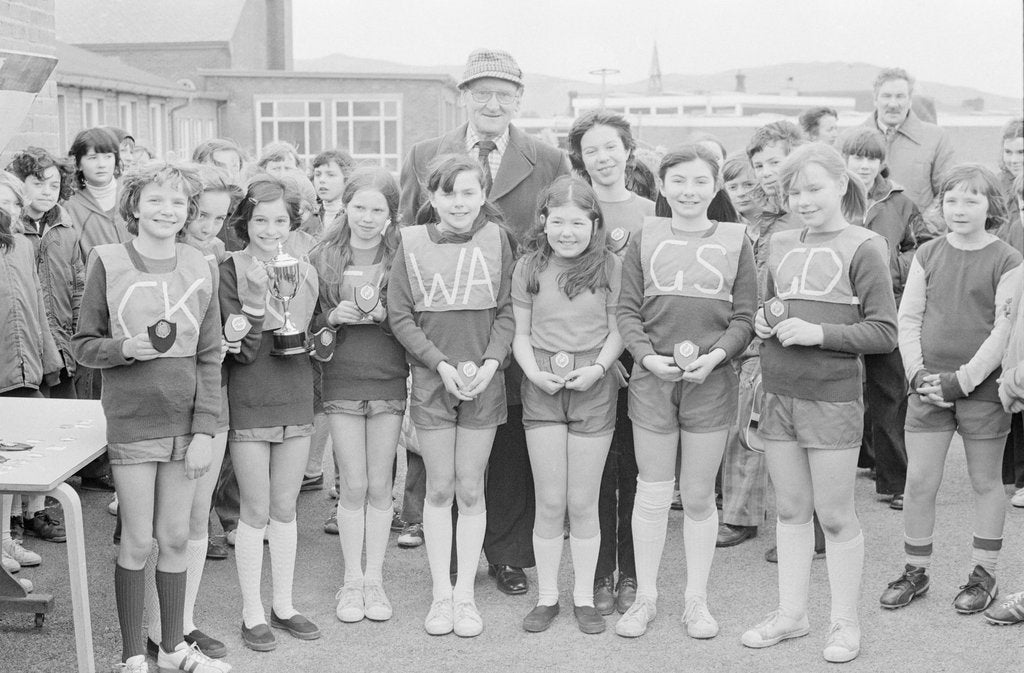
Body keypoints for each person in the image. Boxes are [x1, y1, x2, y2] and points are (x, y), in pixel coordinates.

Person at [398, 48, 570, 596]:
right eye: (481, 93)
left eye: (504, 93)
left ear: (519, 98)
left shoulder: (547, 157)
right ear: (464, 97)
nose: (492, 103)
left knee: (511, 443)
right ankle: (448, 556)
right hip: (446, 327)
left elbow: (555, 237)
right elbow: (408, 235)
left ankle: (507, 554)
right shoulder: (427, 153)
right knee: (443, 456)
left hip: (515, 322)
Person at [740, 143, 897, 663]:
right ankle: (792, 615)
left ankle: (844, 623)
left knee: (833, 515)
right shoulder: (780, 243)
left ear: (840, 185)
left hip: (832, 398)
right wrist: (765, 324)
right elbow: (769, 307)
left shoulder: (865, 246)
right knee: (789, 510)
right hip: (779, 392)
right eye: (794, 191)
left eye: (814, 188)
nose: (803, 200)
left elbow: (884, 333)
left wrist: (819, 333)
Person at [71, 162, 229, 673]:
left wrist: (205, 429)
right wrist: (125, 348)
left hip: (188, 425)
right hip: (133, 422)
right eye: (157, 200)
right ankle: (132, 653)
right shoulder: (109, 261)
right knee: (138, 539)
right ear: (135, 204)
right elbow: (84, 346)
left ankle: (174, 647)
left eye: (179, 203)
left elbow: (210, 356)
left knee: (177, 536)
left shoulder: (200, 264)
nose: (168, 210)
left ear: (188, 213)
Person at [615, 145, 756, 640]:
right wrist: (648, 358)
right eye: (678, 181)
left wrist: (716, 358)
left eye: (699, 182)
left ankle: (696, 599)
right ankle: (647, 598)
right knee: (652, 493)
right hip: (654, 382)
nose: (689, 191)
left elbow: (745, 317)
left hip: (711, 383)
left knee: (697, 497)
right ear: (662, 186)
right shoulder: (644, 237)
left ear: (715, 186)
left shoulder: (737, 241)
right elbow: (627, 312)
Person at [879, 164, 1022, 618]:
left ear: (991, 207)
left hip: (980, 389)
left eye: (972, 200)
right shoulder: (928, 254)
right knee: (920, 481)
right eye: (952, 200)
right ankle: (915, 570)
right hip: (928, 386)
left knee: (985, 482)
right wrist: (919, 376)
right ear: (941, 206)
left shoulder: (1008, 260)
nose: (960, 209)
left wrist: (961, 381)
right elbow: (909, 318)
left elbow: (1004, 330)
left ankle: (983, 574)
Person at [388, 154, 515, 637]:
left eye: (468, 192)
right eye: (447, 193)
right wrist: (438, 364)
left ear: (483, 194)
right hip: (432, 382)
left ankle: (466, 596)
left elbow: (508, 310)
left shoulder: (498, 240)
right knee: (439, 489)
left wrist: (490, 363)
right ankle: (442, 592)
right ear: (432, 198)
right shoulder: (412, 242)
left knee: (471, 487)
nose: (458, 202)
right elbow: (399, 315)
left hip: (484, 382)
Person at [514, 177, 624, 634]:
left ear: (593, 222)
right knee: (550, 500)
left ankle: (582, 598)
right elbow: (520, 332)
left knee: (582, 501)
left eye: (578, 222)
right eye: (557, 221)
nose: (567, 231)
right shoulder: (528, 266)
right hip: (541, 382)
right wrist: (533, 372)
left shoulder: (611, 266)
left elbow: (619, 329)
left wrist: (598, 368)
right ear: (543, 221)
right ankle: (547, 597)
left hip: (594, 384)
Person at [220, 175, 321, 652]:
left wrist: (328, 334)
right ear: (245, 221)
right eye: (260, 219)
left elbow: (317, 336)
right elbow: (235, 349)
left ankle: (284, 603)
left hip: (296, 390)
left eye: (281, 219)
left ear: (293, 222)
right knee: (255, 509)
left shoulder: (306, 268)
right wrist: (257, 300)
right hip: (250, 393)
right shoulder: (229, 268)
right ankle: (252, 611)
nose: (270, 228)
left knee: (285, 506)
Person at [141, 164, 237, 660]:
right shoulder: (151, 257)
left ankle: (180, 623)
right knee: (155, 526)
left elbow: (215, 341)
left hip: (209, 396)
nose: (208, 226)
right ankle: (151, 629)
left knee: (196, 516)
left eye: (219, 218)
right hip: (156, 404)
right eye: (201, 215)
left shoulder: (217, 257)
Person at [309, 167, 408, 624]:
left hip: (387, 374)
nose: (367, 218)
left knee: (380, 484)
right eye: (360, 207)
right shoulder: (321, 254)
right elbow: (304, 327)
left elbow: (415, 317)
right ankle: (351, 580)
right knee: (353, 483)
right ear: (345, 206)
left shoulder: (403, 253)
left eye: (378, 209)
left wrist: (387, 314)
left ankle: (375, 579)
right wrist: (334, 318)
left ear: (391, 214)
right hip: (343, 376)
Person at [567, 111, 654, 615]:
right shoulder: (572, 206)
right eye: (592, 149)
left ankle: (633, 575)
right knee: (596, 477)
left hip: (639, 363)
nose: (603, 158)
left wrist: (631, 353)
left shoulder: (650, 210)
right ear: (580, 156)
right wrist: (603, 357)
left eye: (611, 147)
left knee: (637, 472)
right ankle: (600, 572)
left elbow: (652, 293)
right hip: (590, 365)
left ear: (628, 150)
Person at [841, 128, 921, 512]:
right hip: (840, 303)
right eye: (857, 156)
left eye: (872, 157)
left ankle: (897, 481)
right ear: (844, 159)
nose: (864, 164)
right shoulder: (833, 195)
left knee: (889, 392)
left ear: (881, 161)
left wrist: (895, 267)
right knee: (842, 390)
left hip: (886, 303)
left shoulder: (900, 201)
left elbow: (919, 246)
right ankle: (855, 462)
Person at [6, 147, 81, 543]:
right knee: (16, 436)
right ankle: (13, 518)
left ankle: (36, 511)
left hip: (52, 346)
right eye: (38, 183)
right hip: (17, 351)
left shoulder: (59, 232)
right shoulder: (14, 237)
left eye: (55, 184)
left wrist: (65, 344)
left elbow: (71, 284)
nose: (48, 191)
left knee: (45, 432)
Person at [0, 190, 62, 578]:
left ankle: (5, 537)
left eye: (10, 201)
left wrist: (50, 354)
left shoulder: (20, 245)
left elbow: (36, 300)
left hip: (24, 364)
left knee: (8, 459)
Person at [716, 153, 771, 549]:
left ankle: (741, 516)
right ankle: (731, 505)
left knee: (747, 431)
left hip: (761, 341)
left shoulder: (776, 231)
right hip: (733, 337)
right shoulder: (732, 231)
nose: (740, 193)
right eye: (732, 186)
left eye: (747, 184)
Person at [859, 68, 955, 211]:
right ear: (875, 99)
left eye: (900, 96)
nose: (893, 104)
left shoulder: (937, 138)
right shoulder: (850, 139)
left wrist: (922, 228)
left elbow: (948, 192)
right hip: (866, 231)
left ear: (910, 100)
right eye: (886, 96)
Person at [301, 149, 356, 239]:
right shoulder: (308, 217)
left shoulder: (354, 217)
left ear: (347, 178)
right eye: (318, 174)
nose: (322, 180)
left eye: (330, 175)